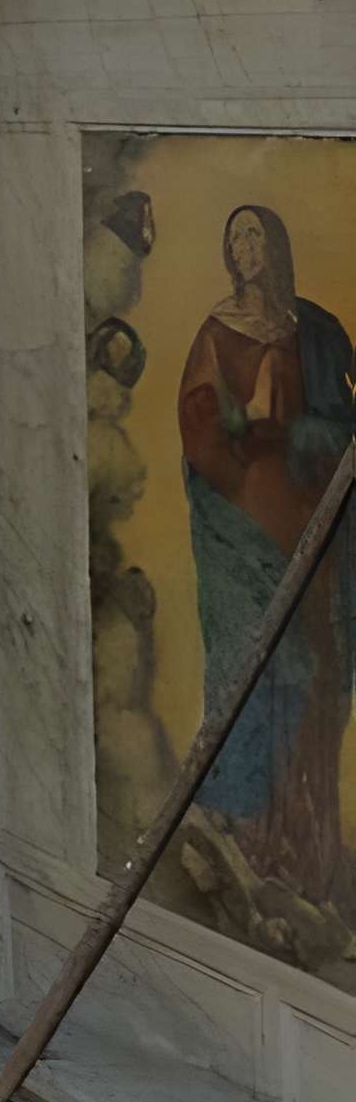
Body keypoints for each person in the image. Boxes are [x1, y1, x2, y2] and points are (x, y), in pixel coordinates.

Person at [178, 202, 356, 904]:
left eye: (255, 235)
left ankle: (305, 846)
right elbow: (199, 425)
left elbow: (343, 414)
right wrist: (242, 428)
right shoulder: (218, 330)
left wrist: (317, 430)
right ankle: (247, 836)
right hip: (247, 525)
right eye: (235, 238)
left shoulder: (313, 328)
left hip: (312, 522)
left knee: (317, 677)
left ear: (275, 247)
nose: (245, 247)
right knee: (258, 667)